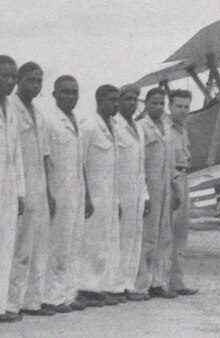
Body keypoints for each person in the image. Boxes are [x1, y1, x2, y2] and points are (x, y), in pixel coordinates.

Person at [6, 62, 55, 317]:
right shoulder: (10, 110)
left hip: (38, 188)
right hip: (16, 188)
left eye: (39, 81)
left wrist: (49, 193)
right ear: (19, 81)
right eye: (30, 80)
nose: (35, 85)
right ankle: (10, 302)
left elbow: (45, 158)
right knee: (16, 247)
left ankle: (30, 300)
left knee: (36, 246)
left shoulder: (40, 115)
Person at [43, 75, 92, 310]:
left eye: (74, 93)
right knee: (57, 246)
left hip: (77, 191)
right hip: (58, 190)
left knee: (74, 244)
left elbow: (80, 162)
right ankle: (52, 296)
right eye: (65, 92)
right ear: (54, 94)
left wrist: (88, 195)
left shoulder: (77, 124)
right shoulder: (49, 121)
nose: (70, 97)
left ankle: (69, 294)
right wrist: (48, 194)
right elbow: (43, 159)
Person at [76, 85, 122, 306]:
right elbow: (80, 162)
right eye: (112, 100)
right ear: (99, 99)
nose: (116, 104)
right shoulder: (89, 126)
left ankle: (99, 286)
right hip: (93, 194)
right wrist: (85, 195)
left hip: (109, 194)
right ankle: (85, 288)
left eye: (117, 100)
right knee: (91, 242)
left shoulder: (113, 126)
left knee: (106, 241)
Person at [135, 87, 179, 299]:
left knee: (165, 236)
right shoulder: (141, 127)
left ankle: (158, 282)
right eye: (154, 103)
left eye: (162, 103)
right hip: (150, 186)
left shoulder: (168, 128)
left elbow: (171, 163)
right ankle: (141, 284)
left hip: (165, 187)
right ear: (146, 104)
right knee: (148, 236)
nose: (158, 107)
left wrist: (174, 187)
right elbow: (139, 164)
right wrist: (143, 194)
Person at [113, 84, 150, 301]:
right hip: (120, 191)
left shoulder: (137, 128)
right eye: (127, 99)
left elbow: (141, 166)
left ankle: (130, 285)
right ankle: (117, 286)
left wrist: (145, 196)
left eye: (135, 100)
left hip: (136, 191)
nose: (132, 103)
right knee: (120, 240)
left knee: (134, 239)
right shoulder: (115, 126)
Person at [0, 55, 25, 323]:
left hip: (7, 188)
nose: (8, 81)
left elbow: (16, 154)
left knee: (6, 244)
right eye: (3, 75)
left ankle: (1, 304)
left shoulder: (12, 110)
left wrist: (20, 192)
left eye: (12, 77)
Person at [168, 89, 198, 296]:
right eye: (178, 106)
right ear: (170, 106)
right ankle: (159, 281)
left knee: (181, 233)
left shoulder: (182, 129)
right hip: (172, 179)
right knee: (166, 233)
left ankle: (177, 281)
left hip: (184, 176)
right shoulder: (166, 130)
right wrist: (173, 186)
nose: (183, 110)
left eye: (186, 106)